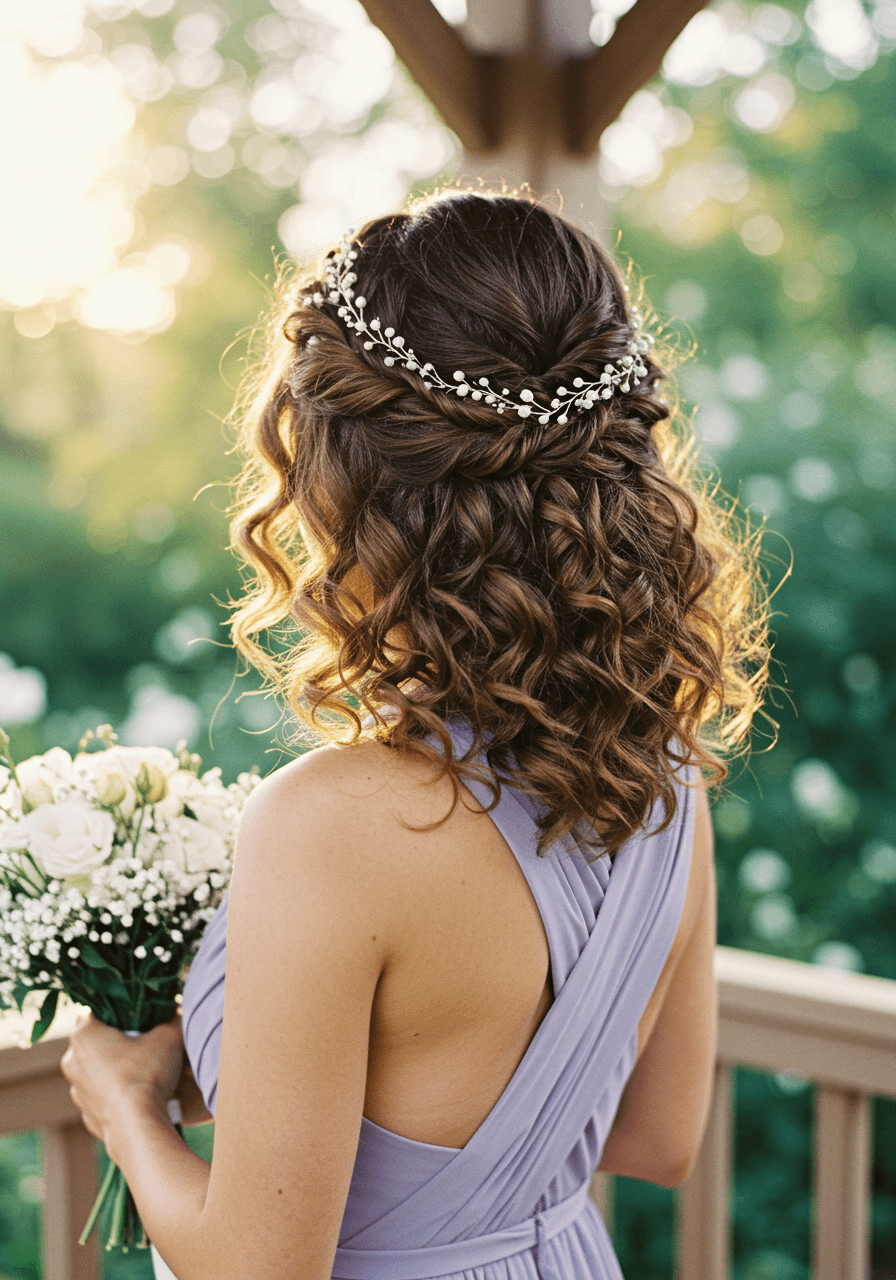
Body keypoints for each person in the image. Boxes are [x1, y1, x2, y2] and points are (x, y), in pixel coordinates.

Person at [61, 189, 770, 1280]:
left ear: (349, 487)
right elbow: (656, 1140)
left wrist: (122, 1105)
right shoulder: (661, 768)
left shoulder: (330, 823)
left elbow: (257, 1267)